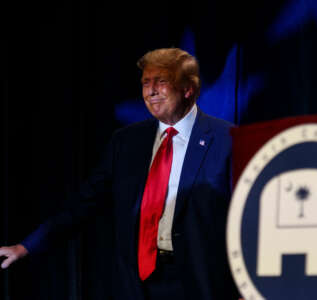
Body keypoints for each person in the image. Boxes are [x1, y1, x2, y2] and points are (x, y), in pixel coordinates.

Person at [0, 48, 239, 300]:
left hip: (202, 286)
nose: (151, 91)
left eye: (162, 81)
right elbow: (83, 204)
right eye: (146, 83)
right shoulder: (126, 142)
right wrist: (26, 246)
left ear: (188, 89)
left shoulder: (227, 139)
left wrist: (246, 287)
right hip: (136, 286)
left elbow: (249, 218)